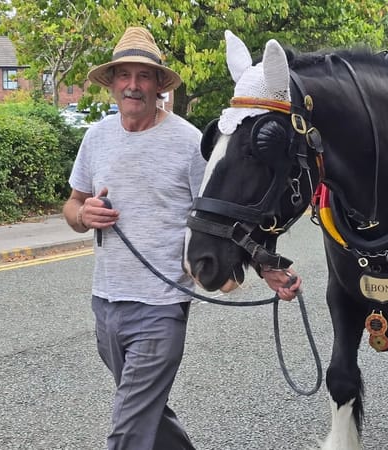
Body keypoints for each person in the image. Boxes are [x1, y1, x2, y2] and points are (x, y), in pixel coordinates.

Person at [63, 27, 302, 450]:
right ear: (113, 82)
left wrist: (266, 266)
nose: (133, 86)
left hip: (161, 305)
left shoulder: (191, 143)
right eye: (124, 76)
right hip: (105, 301)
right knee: (146, 410)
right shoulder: (96, 138)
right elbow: (72, 205)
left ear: (159, 86)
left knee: (128, 425)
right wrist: (83, 214)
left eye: (144, 77)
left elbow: (225, 216)